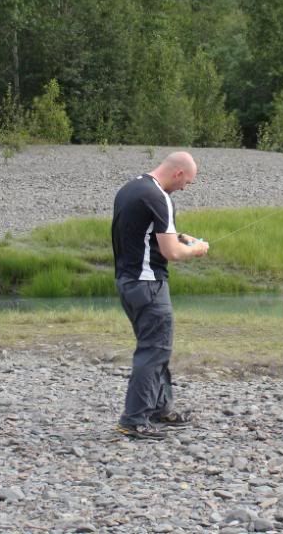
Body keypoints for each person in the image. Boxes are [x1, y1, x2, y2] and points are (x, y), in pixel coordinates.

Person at [111, 152, 210, 440]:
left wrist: (183, 236)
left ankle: (160, 408)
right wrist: (196, 249)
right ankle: (133, 420)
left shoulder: (131, 188)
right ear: (178, 173)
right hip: (149, 284)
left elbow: (148, 232)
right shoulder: (159, 197)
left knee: (157, 346)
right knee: (154, 349)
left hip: (128, 282)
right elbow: (172, 253)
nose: (184, 188)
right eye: (187, 183)